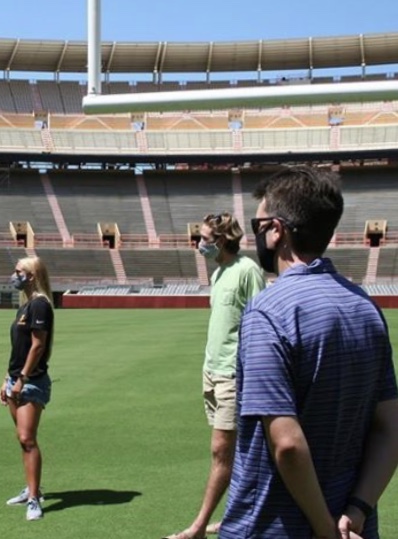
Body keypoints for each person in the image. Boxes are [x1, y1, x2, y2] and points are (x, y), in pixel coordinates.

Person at [219, 166, 398, 539]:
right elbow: (390, 429)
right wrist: (356, 510)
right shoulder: (366, 307)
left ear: (276, 230)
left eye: (258, 224)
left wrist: (324, 528)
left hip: (273, 525)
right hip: (355, 526)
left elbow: (287, 443)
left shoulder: (269, 311)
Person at [164, 213, 265, 539]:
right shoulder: (220, 272)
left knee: (222, 452)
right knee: (232, 453)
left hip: (233, 378)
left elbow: (261, 325)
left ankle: (198, 528)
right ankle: (237, 515)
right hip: (212, 373)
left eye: (204, 239)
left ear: (221, 240)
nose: (198, 245)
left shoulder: (247, 271)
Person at [0, 255, 55, 522]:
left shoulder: (41, 306)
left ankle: (34, 499)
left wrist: (21, 378)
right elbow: (18, 348)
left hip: (31, 381)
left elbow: (37, 346)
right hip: (16, 380)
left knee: (27, 439)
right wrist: (6, 379)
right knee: (22, 440)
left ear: (31, 275)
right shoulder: (25, 306)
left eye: (18, 271)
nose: (14, 275)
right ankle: (32, 488)